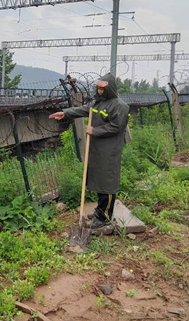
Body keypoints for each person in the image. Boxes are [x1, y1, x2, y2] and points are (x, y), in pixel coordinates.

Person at [49, 73, 130, 231]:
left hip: (110, 151)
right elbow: (84, 109)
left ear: (110, 88)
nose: (99, 92)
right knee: (99, 180)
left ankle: (105, 217)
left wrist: (95, 130)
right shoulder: (98, 103)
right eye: (98, 88)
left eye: (102, 89)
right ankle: (100, 211)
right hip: (98, 149)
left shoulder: (120, 106)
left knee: (107, 183)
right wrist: (65, 113)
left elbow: (116, 127)